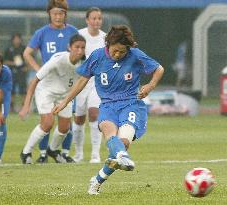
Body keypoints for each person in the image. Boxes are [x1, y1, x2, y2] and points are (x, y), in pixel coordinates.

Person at [52, 25, 164, 195]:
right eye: (115, 51)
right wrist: (66, 101)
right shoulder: (97, 56)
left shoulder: (135, 55)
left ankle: (98, 179)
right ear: (108, 44)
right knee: (109, 133)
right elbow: (82, 80)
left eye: (122, 52)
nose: (118, 55)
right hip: (107, 105)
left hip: (130, 103)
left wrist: (151, 85)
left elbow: (158, 69)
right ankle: (118, 159)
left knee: (123, 143)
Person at [23, 0, 78, 163]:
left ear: (65, 14)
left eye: (61, 13)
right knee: (47, 122)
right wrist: (38, 69)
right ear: (49, 14)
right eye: (55, 13)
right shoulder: (42, 32)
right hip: (47, 82)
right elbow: (27, 53)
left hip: (67, 83)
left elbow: (81, 54)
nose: (58, 17)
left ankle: (54, 151)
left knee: (65, 125)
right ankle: (33, 153)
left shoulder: (73, 31)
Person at [19, 34, 86, 164]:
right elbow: (34, 81)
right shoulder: (57, 60)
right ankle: (26, 152)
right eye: (76, 47)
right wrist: (26, 105)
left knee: (64, 128)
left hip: (65, 96)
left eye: (83, 47)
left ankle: (53, 150)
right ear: (69, 47)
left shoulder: (85, 63)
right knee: (47, 124)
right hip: (46, 92)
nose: (80, 50)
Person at [73, 7, 106, 163]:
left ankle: (95, 154)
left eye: (99, 18)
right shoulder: (80, 35)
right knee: (79, 118)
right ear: (87, 20)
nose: (96, 21)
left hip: (97, 82)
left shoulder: (105, 38)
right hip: (81, 80)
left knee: (94, 114)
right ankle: (78, 154)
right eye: (93, 18)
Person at [4, 33, 27, 112]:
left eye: (18, 39)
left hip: (21, 73)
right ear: (12, 40)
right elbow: (5, 61)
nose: (17, 40)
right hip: (11, 73)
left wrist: (26, 67)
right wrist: (14, 63)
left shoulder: (24, 48)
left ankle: (24, 107)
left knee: (23, 90)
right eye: (15, 39)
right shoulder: (9, 49)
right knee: (11, 90)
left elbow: (29, 59)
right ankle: (11, 107)